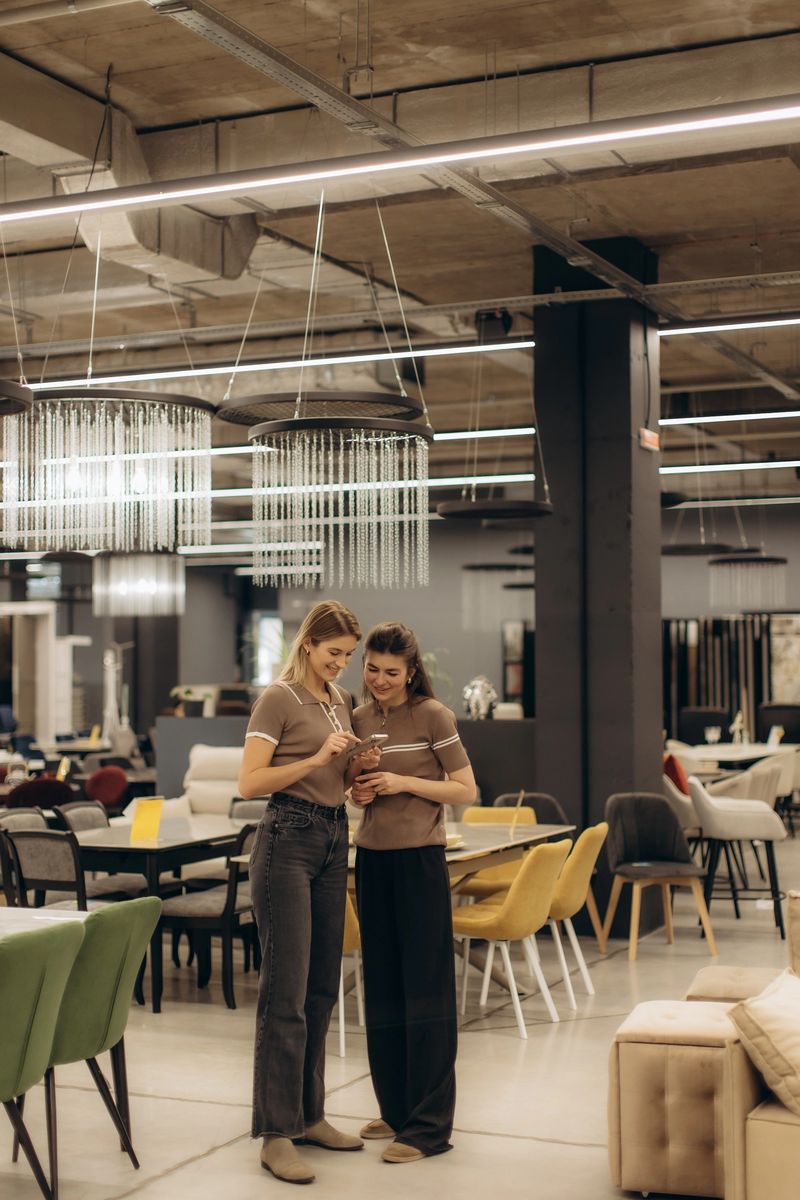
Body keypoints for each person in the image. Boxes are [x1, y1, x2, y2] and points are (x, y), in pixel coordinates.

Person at [239, 600, 380, 1185]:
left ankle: (310, 1114)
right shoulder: (278, 698)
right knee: (286, 992)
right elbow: (251, 782)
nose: (342, 665)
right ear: (307, 644)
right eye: (334, 653)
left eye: (349, 656)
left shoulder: (340, 701)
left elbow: (337, 783)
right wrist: (320, 757)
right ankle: (276, 1133)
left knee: (322, 986)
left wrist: (356, 774)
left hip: (331, 837)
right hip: (286, 838)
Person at [350, 621, 477, 1164]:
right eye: (373, 669)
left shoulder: (433, 716)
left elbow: (467, 788)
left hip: (420, 863)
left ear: (412, 671)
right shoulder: (356, 719)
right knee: (380, 989)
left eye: (392, 672)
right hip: (371, 861)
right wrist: (361, 786)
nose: (380, 680)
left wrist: (403, 782)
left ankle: (428, 1127)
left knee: (425, 992)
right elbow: (356, 795)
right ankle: (396, 1109)